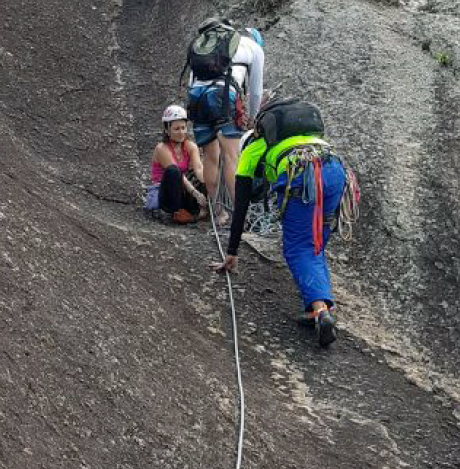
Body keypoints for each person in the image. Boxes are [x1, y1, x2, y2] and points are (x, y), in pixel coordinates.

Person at [212, 99, 358, 349]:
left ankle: (321, 311)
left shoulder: (251, 151)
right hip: (335, 169)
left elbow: (242, 206)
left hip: (301, 173)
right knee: (315, 244)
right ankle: (316, 307)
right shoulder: (302, 137)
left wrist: (232, 253)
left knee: (298, 247)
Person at [185, 22, 265, 216]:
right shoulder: (254, 48)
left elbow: (191, 81)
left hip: (197, 96)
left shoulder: (205, 46)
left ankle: (218, 212)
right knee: (231, 157)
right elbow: (255, 92)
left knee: (210, 157)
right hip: (224, 95)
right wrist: (253, 119)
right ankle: (240, 216)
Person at [144, 104, 208, 224]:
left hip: (183, 191)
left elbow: (199, 169)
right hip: (166, 194)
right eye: (176, 129)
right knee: (173, 171)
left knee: (207, 170)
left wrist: (208, 185)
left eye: (183, 128)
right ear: (167, 130)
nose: (181, 132)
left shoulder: (190, 146)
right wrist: (196, 194)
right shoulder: (161, 148)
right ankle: (172, 212)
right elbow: (178, 175)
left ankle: (200, 210)